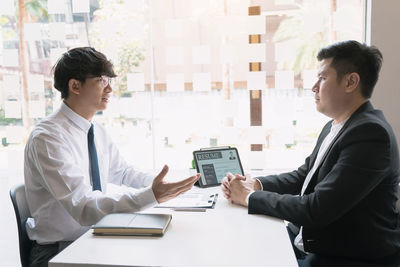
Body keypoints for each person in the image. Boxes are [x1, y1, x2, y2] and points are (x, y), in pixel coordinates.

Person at [221, 40, 400, 267]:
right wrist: (254, 184)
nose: (314, 86)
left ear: (351, 82)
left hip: (346, 258)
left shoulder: (371, 135)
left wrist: (247, 197)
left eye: (323, 78)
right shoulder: (338, 125)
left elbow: (316, 208)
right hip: (313, 244)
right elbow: (303, 176)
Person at [24, 47, 200, 267]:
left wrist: (165, 185)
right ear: (75, 85)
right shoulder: (48, 138)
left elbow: (122, 172)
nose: (110, 89)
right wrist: (151, 195)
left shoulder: (94, 130)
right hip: (59, 251)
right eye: (101, 80)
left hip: (93, 238)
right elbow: (84, 207)